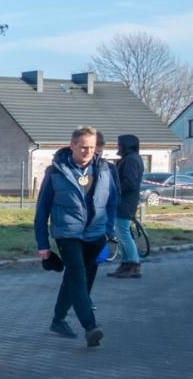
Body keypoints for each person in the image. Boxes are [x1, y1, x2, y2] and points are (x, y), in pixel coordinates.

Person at [35, 126, 117, 347]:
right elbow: (42, 209)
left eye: (91, 148)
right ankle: (91, 327)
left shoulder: (106, 170)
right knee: (78, 279)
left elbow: (112, 203)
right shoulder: (55, 172)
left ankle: (58, 320)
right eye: (83, 147)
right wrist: (42, 243)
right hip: (67, 234)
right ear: (72, 145)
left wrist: (110, 230)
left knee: (79, 280)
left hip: (96, 235)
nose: (88, 152)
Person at [108, 134, 144, 279]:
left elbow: (129, 183)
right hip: (125, 202)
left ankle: (133, 264)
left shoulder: (130, 160)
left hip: (125, 202)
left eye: (119, 144)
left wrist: (114, 190)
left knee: (123, 233)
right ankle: (125, 264)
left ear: (126, 145)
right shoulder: (131, 159)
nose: (117, 147)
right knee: (122, 233)